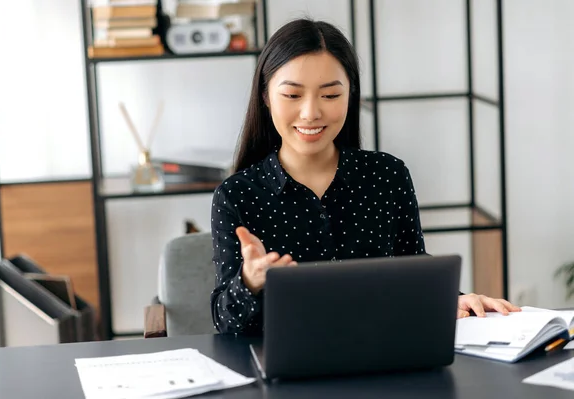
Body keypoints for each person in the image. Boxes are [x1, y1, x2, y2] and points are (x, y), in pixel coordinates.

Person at [209, 18, 519, 334]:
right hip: (284, 369)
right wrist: (250, 280)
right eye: (292, 95)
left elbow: (413, 270)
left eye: (330, 95)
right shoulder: (238, 195)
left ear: (350, 95)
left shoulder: (387, 176)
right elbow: (224, 322)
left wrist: (454, 299)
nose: (311, 113)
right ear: (266, 97)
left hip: (382, 355)